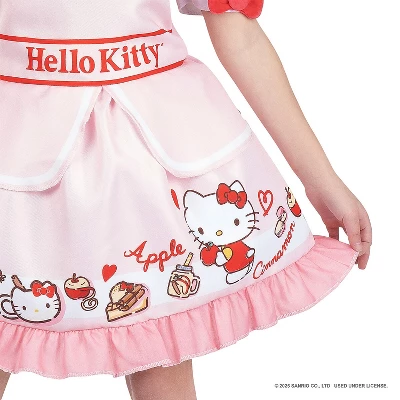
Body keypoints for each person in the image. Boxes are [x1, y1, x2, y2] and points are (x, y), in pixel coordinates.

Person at [0, 0, 372, 399]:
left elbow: (240, 36)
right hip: (16, 155)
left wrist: (319, 178)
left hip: (155, 158)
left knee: (163, 358)